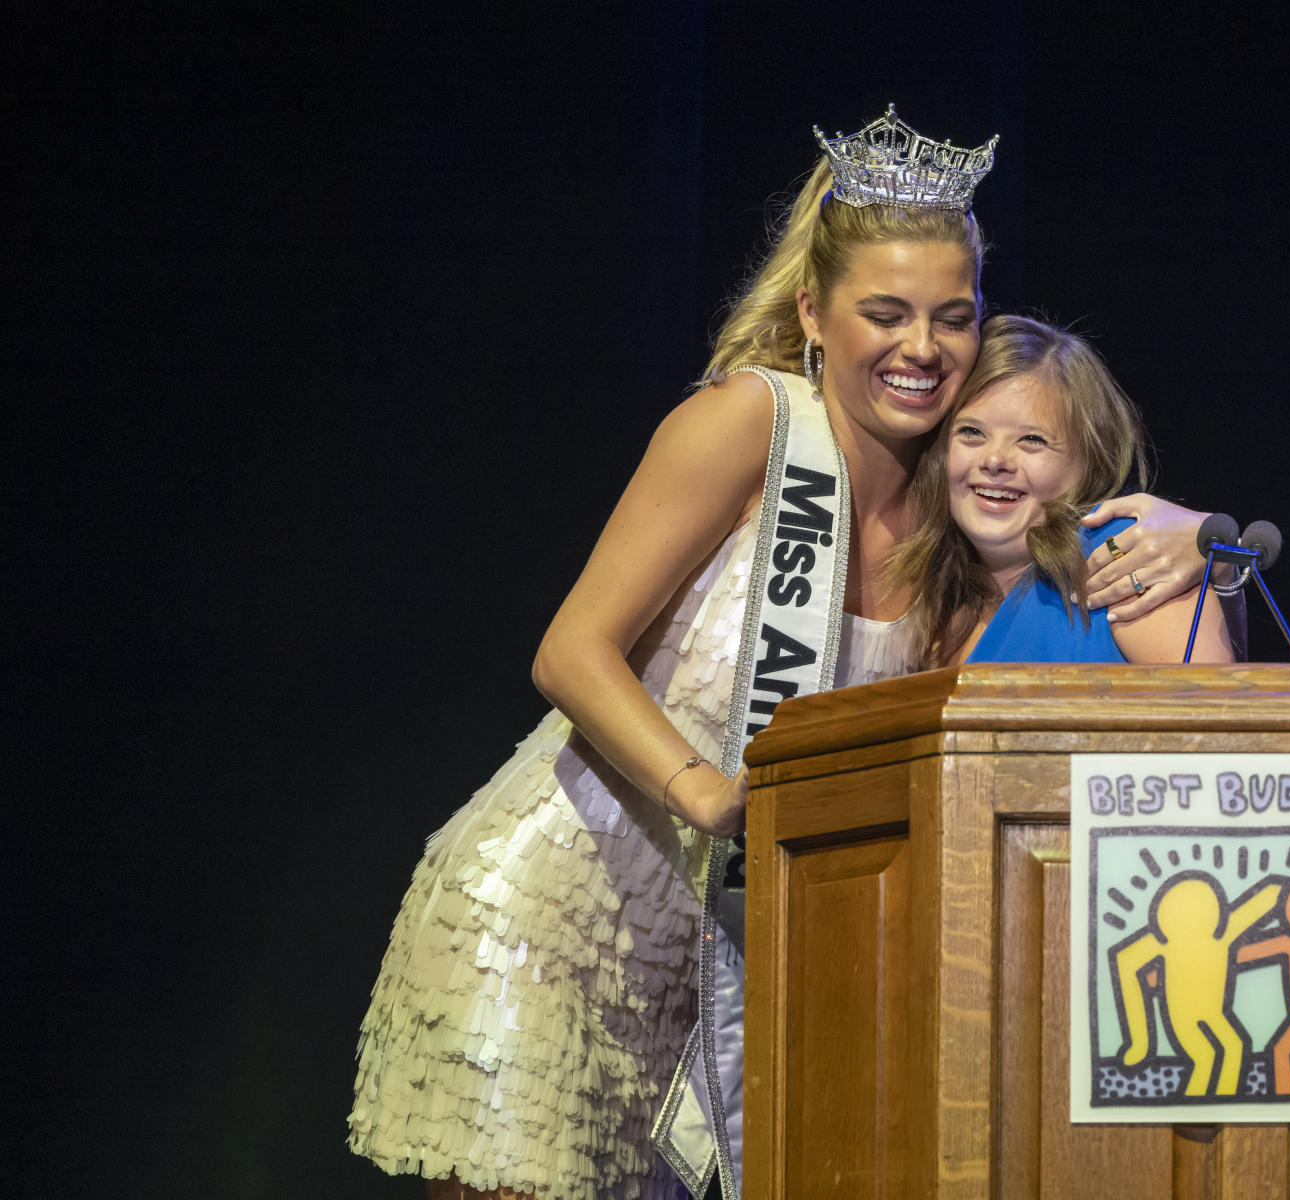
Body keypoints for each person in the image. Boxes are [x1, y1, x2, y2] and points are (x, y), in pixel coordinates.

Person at [347, 110, 1214, 1200]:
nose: (923, 348)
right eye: (886, 313)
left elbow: (1069, 514)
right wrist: (707, 794)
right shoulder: (750, 423)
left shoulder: (945, 517)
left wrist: (1196, 529)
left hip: (703, 979)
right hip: (553, 922)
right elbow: (571, 649)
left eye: (955, 318)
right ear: (813, 308)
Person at [890, 313, 1244, 668]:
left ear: (1088, 462)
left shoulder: (1126, 559)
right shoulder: (924, 593)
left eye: (1032, 439)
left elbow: (1216, 714)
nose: (995, 459)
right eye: (971, 432)